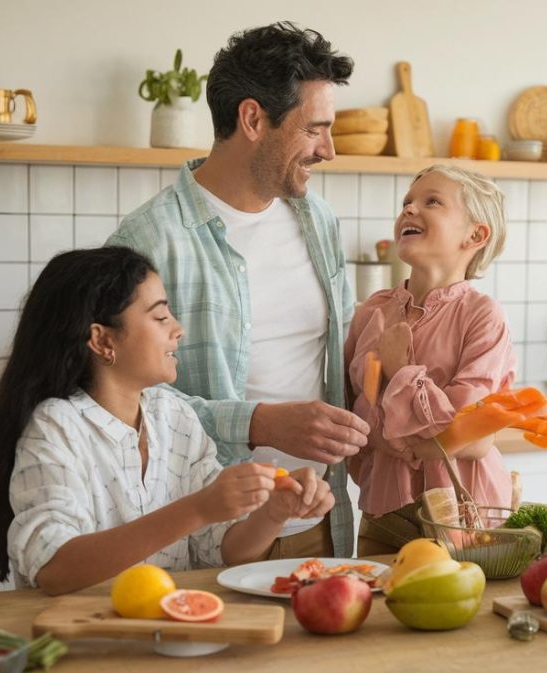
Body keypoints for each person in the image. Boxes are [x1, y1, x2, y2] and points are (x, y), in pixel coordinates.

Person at [106, 23, 367, 558]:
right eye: (314, 129)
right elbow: (121, 402)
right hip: (206, 536)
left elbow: (341, 360)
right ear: (253, 118)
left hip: (319, 525)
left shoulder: (319, 221)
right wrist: (260, 423)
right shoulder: (148, 241)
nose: (329, 150)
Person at [0, 248, 333, 594]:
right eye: (160, 317)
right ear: (102, 340)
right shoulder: (56, 428)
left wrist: (272, 514)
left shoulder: (173, 417)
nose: (178, 329)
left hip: (168, 635)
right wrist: (198, 507)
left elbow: (222, 550)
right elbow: (54, 568)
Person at [344, 165, 514, 555]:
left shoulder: (483, 315)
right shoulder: (371, 312)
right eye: (406, 203)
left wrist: (400, 371)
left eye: (431, 201)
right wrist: (415, 443)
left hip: (465, 516)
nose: (409, 210)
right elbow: (356, 418)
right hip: (382, 510)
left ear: (476, 234)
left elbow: (470, 435)